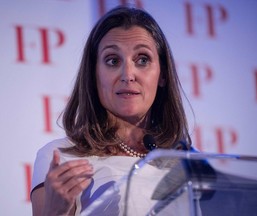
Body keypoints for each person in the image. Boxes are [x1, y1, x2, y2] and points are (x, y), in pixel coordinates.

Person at [31, 5, 192, 216]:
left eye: (142, 60)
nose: (128, 74)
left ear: (162, 75)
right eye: (113, 61)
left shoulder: (186, 163)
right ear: (94, 75)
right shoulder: (61, 159)